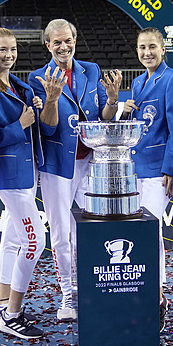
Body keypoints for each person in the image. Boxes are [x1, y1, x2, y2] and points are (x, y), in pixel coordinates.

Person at [28, 18, 121, 321]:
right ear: (47, 45)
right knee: (61, 233)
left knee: (91, 226)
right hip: (57, 165)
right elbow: (46, 126)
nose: (63, 46)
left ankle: (89, 286)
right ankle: (67, 296)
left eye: (68, 40)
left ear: (75, 41)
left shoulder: (90, 70)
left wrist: (111, 100)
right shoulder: (37, 78)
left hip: (89, 160)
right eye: (57, 42)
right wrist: (52, 100)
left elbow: (103, 118)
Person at [119, 27, 173, 333]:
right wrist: (126, 112)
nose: (147, 52)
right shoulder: (137, 82)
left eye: (152, 47)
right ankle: (145, 291)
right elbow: (140, 126)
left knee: (150, 234)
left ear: (163, 50)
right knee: (143, 233)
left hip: (159, 170)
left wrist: (172, 169)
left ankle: (158, 299)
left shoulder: (171, 79)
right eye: (142, 47)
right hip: (136, 168)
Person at [0, 28, 45, 339]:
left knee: (11, 240)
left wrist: (34, 104)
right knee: (36, 242)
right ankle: (13, 313)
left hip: (27, 171)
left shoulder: (16, 84)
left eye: (13, 49)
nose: (8, 55)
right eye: (2, 50)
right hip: (9, 175)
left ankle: (2, 303)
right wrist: (19, 125)